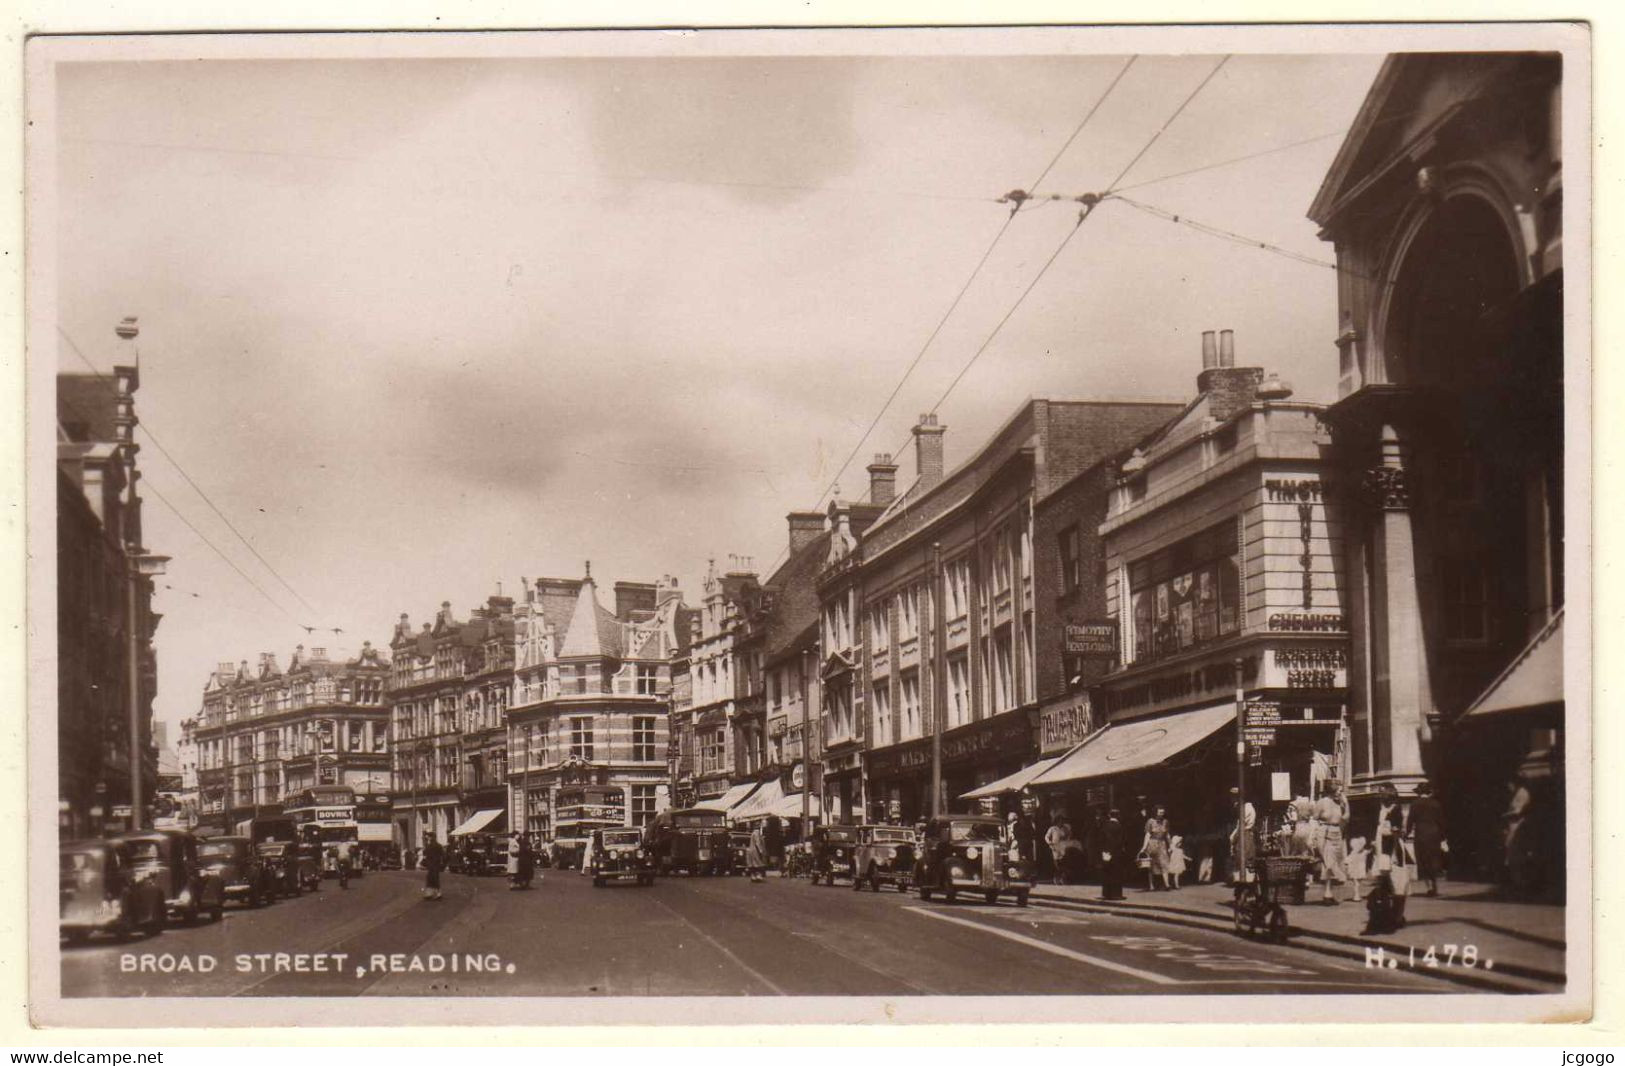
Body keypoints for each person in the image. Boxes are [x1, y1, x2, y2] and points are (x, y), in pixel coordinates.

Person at [1314, 783, 1355, 903]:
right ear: (1332, 790)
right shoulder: (1322, 802)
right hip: (1324, 832)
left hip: (1337, 832)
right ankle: (1327, 894)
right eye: (1339, 791)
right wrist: (1317, 835)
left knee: (1334, 862)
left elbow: (1346, 818)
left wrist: (1346, 803)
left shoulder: (1340, 803)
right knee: (1328, 862)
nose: (1340, 793)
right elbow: (1315, 818)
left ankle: (1329, 893)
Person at [1408, 781, 1447, 896]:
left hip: (1421, 834)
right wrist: (1443, 837)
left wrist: (1407, 833)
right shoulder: (1436, 804)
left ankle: (1429, 887)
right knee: (1434, 858)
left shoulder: (1415, 804)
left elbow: (1410, 821)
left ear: (1419, 792)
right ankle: (1435, 885)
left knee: (1423, 860)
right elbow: (1442, 822)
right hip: (1434, 834)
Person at [1227, 787, 1257, 884]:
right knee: (1243, 858)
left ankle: (1244, 883)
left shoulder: (1246, 808)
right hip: (1244, 834)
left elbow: (1241, 825)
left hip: (1244, 835)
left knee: (1243, 858)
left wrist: (1233, 837)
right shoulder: (1245, 807)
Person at [1142, 805, 1172, 891]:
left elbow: (1167, 834)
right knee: (1151, 865)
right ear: (1155, 812)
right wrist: (1144, 846)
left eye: (1163, 812)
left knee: (1164, 863)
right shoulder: (1150, 822)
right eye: (1160, 812)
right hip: (1152, 843)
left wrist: (1170, 845)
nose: (1162, 814)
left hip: (1162, 844)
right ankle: (1151, 885)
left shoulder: (1166, 822)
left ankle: (1167, 884)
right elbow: (1147, 834)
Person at [1099, 808, 1127, 901]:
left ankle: (1106, 894)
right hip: (1116, 852)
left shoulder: (1105, 825)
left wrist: (1104, 850)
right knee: (1116, 872)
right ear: (1118, 816)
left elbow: (1102, 838)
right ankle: (1116, 894)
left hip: (1106, 852)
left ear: (1109, 815)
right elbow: (1120, 840)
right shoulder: (1119, 826)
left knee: (1106, 872)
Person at [1044, 818, 1072, 886]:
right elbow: (1047, 836)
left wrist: (1067, 837)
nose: (1061, 823)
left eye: (1062, 821)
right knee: (1057, 863)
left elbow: (1069, 835)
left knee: (1063, 862)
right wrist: (1049, 842)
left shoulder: (1065, 828)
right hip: (1055, 846)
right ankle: (1057, 877)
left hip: (1063, 846)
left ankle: (1063, 878)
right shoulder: (1052, 829)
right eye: (1059, 821)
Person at [422, 837, 445, 901]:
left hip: (431, 865)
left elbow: (425, 853)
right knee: (435, 878)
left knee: (430, 878)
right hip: (436, 864)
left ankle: (430, 894)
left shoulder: (429, 846)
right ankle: (437, 893)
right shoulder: (439, 846)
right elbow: (443, 854)